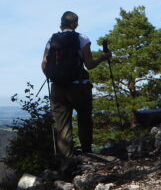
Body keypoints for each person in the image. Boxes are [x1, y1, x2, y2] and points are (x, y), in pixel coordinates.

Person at [41, 10, 111, 158]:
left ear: (61, 24)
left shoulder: (51, 40)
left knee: (62, 125)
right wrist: (103, 58)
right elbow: (90, 64)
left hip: (58, 88)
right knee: (84, 119)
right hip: (79, 86)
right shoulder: (82, 39)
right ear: (74, 24)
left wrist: (54, 77)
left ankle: (67, 160)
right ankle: (87, 153)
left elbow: (44, 64)